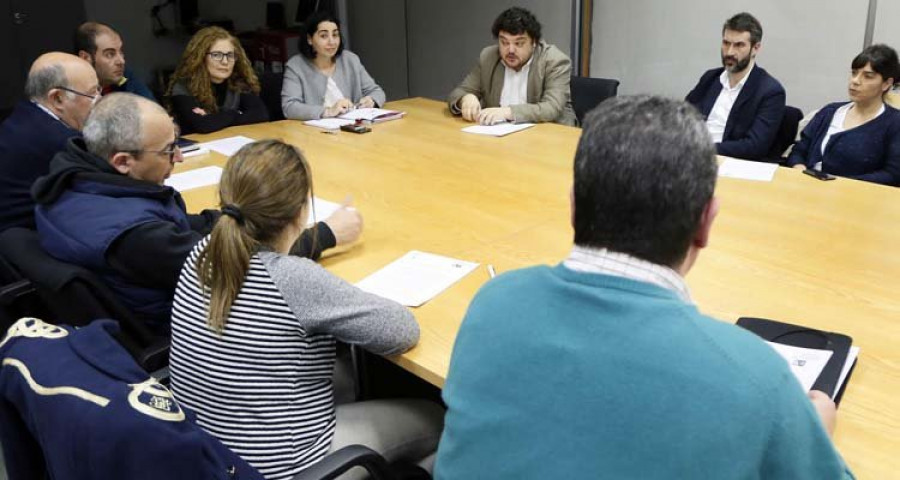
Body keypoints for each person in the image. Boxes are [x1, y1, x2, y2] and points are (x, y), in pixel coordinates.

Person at [434, 96, 854, 479]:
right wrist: (812, 432)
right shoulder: (756, 377)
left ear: (573, 204)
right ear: (706, 223)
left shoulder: (493, 301)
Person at [169, 139, 443, 480]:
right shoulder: (294, 280)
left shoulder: (205, 251)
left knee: (349, 369)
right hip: (284, 466)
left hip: (210, 450)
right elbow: (402, 331)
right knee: (439, 418)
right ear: (301, 211)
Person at [31, 93, 357, 331]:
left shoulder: (74, 183)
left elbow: (182, 226)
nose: (180, 158)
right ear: (123, 161)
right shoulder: (137, 235)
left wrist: (239, 216)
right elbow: (250, 274)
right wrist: (325, 234)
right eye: (169, 150)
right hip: (190, 330)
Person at [0, 52, 98, 232]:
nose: (98, 102)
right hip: (26, 242)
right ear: (58, 98)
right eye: (92, 94)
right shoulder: (64, 143)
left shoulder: (23, 113)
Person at [787, 44, 900, 186]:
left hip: (857, 197)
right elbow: (798, 151)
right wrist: (799, 168)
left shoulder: (894, 123)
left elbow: (893, 174)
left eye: (868, 76)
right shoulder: (830, 111)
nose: (855, 81)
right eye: (854, 73)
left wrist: (841, 184)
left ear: (886, 84)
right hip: (807, 188)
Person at [447, 7, 575, 126]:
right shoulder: (488, 57)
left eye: (519, 43)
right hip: (500, 135)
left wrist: (508, 112)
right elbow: (458, 93)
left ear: (534, 42)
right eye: (504, 42)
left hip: (550, 135)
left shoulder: (554, 61)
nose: (511, 50)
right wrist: (466, 98)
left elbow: (551, 108)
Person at [686, 12, 786, 160]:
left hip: (727, 161)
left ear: (756, 48)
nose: (730, 52)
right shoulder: (711, 78)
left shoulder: (770, 91)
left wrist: (704, 149)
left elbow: (755, 146)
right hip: (691, 156)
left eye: (739, 45)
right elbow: (682, 117)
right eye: (726, 43)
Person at [281, 11, 386, 120]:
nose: (332, 41)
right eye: (323, 36)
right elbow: (289, 107)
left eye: (335, 35)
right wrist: (327, 111)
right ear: (309, 39)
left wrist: (371, 100)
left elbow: (377, 91)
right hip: (314, 133)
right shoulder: (295, 66)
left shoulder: (350, 60)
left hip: (354, 127)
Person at [166, 26, 269, 134]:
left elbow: (261, 115)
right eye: (216, 55)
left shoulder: (238, 81)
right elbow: (203, 125)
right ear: (200, 57)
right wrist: (237, 113)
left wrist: (218, 117)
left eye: (230, 55)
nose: (225, 61)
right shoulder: (184, 86)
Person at [75, 22, 156, 101]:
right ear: (85, 58)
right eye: (110, 54)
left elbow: (152, 109)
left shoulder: (124, 75)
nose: (121, 61)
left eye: (120, 52)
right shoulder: (73, 93)